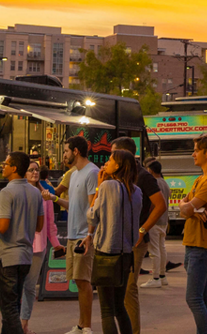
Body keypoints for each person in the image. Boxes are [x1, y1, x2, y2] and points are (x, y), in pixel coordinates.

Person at [44, 136, 101, 334]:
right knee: (77, 280)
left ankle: (87, 327)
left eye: (66, 151)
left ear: (76, 151)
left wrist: (90, 235)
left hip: (83, 235)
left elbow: (93, 206)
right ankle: (80, 324)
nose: (64, 155)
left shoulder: (92, 172)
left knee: (84, 281)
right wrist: (54, 198)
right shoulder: (75, 173)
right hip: (73, 234)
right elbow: (76, 205)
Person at [0, 152, 43, 334]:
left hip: (7, 257)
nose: (3, 166)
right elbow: (39, 226)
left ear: (14, 168)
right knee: (13, 307)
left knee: (8, 311)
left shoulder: (6, 192)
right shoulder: (35, 193)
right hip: (25, 256)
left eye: (6, 163)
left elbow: (2, 226)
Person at [86, 149, 144, 334]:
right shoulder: (137, 191)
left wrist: (98, 187)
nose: (106, 163)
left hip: (106, 252)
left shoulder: (107, 186)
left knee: (107, 310)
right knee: (120, 306)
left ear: (117, 166)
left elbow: (92, 216)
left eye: (110, 160)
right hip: (126, 253)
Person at [112, 137, 166, 333]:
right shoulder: (117, 176)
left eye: (114, 152)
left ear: (124, 154)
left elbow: (161, 205)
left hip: (134, 241)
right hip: (116, 239)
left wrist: (142, 230)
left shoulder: (143, 176)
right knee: (116, 290)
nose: (110, 156)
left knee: (128, 289)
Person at [178, 134, 207, 333]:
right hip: (192, 241)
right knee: (202, 295)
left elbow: (188, 209)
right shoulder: (200, 179)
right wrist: (188, 206)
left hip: (202, 242)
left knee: (193, 298)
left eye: (196, 150)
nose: (193, 154)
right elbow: (183, 204)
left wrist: (189, 207)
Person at [23, 160, 63, 334]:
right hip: (20, 246)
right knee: (17, 286)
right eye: (31, 170)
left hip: (38, 247)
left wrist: (56, 244)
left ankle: (23, 324)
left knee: (30, 287)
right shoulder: (19, 192)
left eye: (37, 170)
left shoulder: (45, 195)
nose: (34, 173)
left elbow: (50, 223)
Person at [141, 161, 173, 288]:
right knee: (161, 248)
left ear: (151, 170)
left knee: (154, 251)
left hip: (154, 221)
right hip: (164, 221)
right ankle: (162, 276)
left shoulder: (153, 183)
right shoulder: (164, 183)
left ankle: (155, 278)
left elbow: (154, 203)